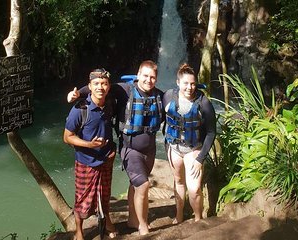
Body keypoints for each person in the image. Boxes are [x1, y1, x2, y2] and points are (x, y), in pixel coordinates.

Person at [67, 60, 164, 235]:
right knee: (83, 198)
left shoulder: (157, 95)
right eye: (145, 76)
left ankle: (127, 221)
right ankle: (141, 225)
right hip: (114, 152)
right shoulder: (123, 90)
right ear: (138, 75)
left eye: (152, 77)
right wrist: (77, 94)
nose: (148, 80)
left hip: (116, 155)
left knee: (110, 193)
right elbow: (96, 85)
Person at [63, 68, 118, 240]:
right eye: (96, 84)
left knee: (105, 194)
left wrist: (112, 150)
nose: (100, 87)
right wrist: (89, 144)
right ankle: (79, 230)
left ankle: (107, 220)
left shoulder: (110, 103)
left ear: (109, 86)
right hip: (86, 161)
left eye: (104, 83)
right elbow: (67, 137)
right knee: (82, 199)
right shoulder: (80, 109)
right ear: (90, 86)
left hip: (105, 160)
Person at [162, 63, 216, 223]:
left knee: (194, 189)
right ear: (178, 83)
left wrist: (200, 159)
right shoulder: (168, 96)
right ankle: (179, 216)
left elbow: (212, 132)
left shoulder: (204, 103)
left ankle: (198, 219)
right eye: (186, 83)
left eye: (192, 83)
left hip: (194, 149)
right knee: (178, 182)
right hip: (174, 148)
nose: (189, 87)